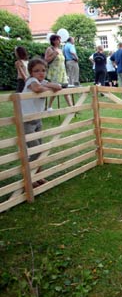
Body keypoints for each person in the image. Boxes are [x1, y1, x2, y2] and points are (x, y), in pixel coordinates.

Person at [21, 58, 62, 187]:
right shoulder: (31, 81)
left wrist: (47, 84)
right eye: (36, 71)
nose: (41, 73)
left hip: (37, 120)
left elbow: (58, 86)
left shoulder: (43, 81)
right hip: (27, 121)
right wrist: (47, 86)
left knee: (40, 149)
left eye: (43, 70)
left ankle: (39, 176)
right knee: (36, 151)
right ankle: (29, 177)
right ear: (31, 73)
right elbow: (37, 88)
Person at [44, 34, 73, 110]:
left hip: (62, 72)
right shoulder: (50, 49)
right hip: (54, 72)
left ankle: (71, 107)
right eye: (58, 39)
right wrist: (54, 54)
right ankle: (49, 106)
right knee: (55, 89)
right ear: (53, 41)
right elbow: (46, 60)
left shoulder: (60, 49)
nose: (60, 41)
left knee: (65, 89)